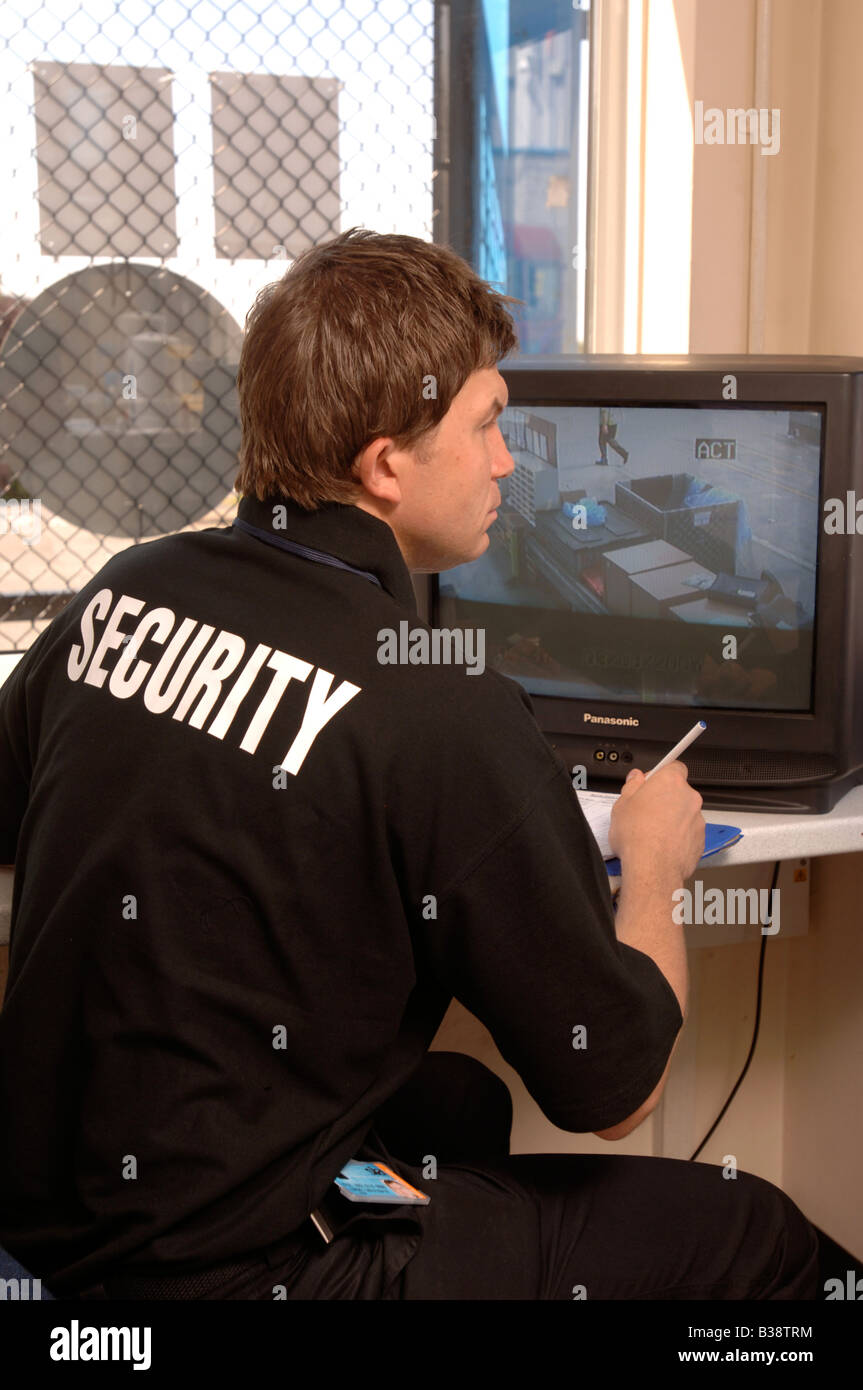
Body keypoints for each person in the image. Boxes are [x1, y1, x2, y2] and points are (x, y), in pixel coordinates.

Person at [0, 228, 818, 1301]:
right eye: (485, 424)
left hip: (50, 1213)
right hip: (231, 1273)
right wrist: (655, 871)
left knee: (456, 1105)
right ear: (385, 463)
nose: (504, 461)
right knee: (749, 1231)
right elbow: (614, 1088)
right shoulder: (443, 710)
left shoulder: (127, 588)